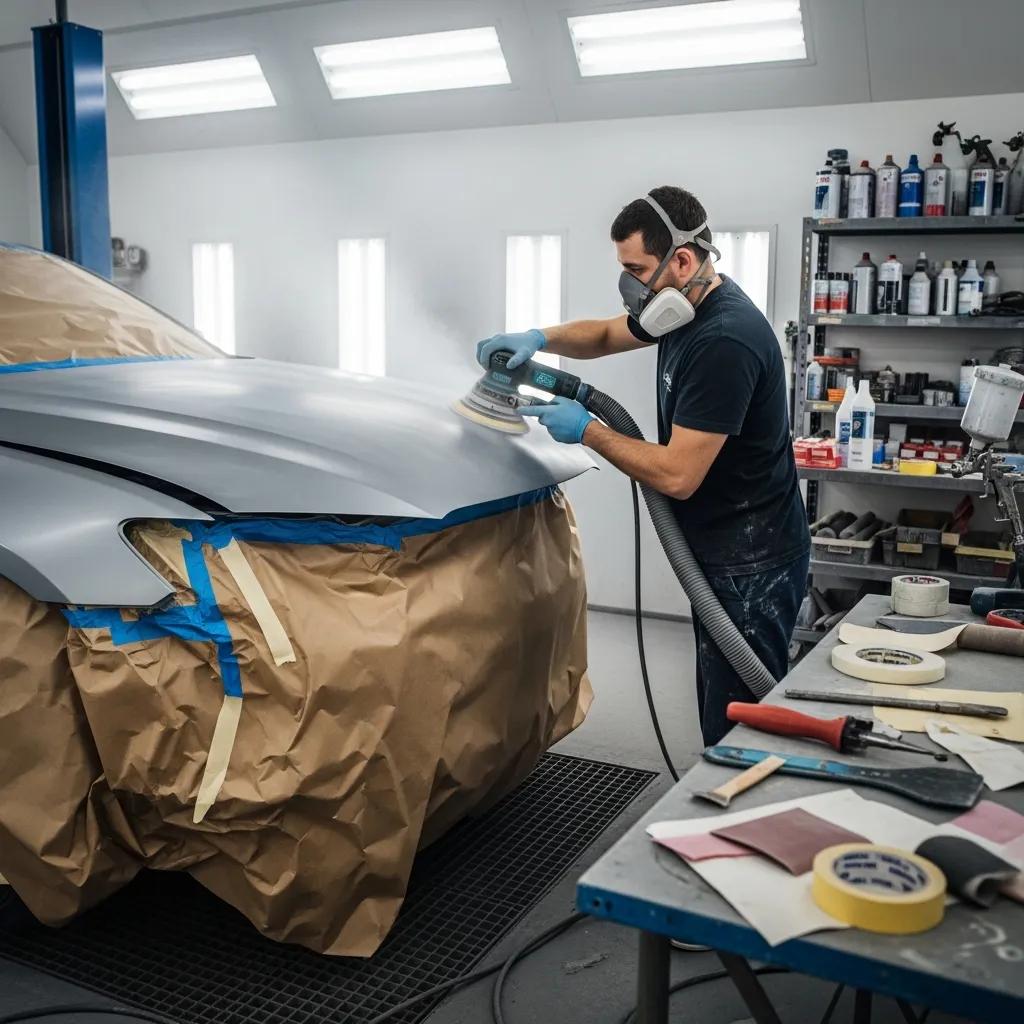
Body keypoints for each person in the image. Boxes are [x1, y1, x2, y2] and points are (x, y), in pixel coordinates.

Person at [475, 185, 809, 746]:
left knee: (744, 727)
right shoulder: (680, 307)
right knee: (728, 714)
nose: (629, 283)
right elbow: (606, 333)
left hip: (752, 563)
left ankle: (741, 823)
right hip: (725, 549)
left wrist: (588, 431)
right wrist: (537, 338)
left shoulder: (724, 340)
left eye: (636, 268)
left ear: (681, 260)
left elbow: (678, 474)